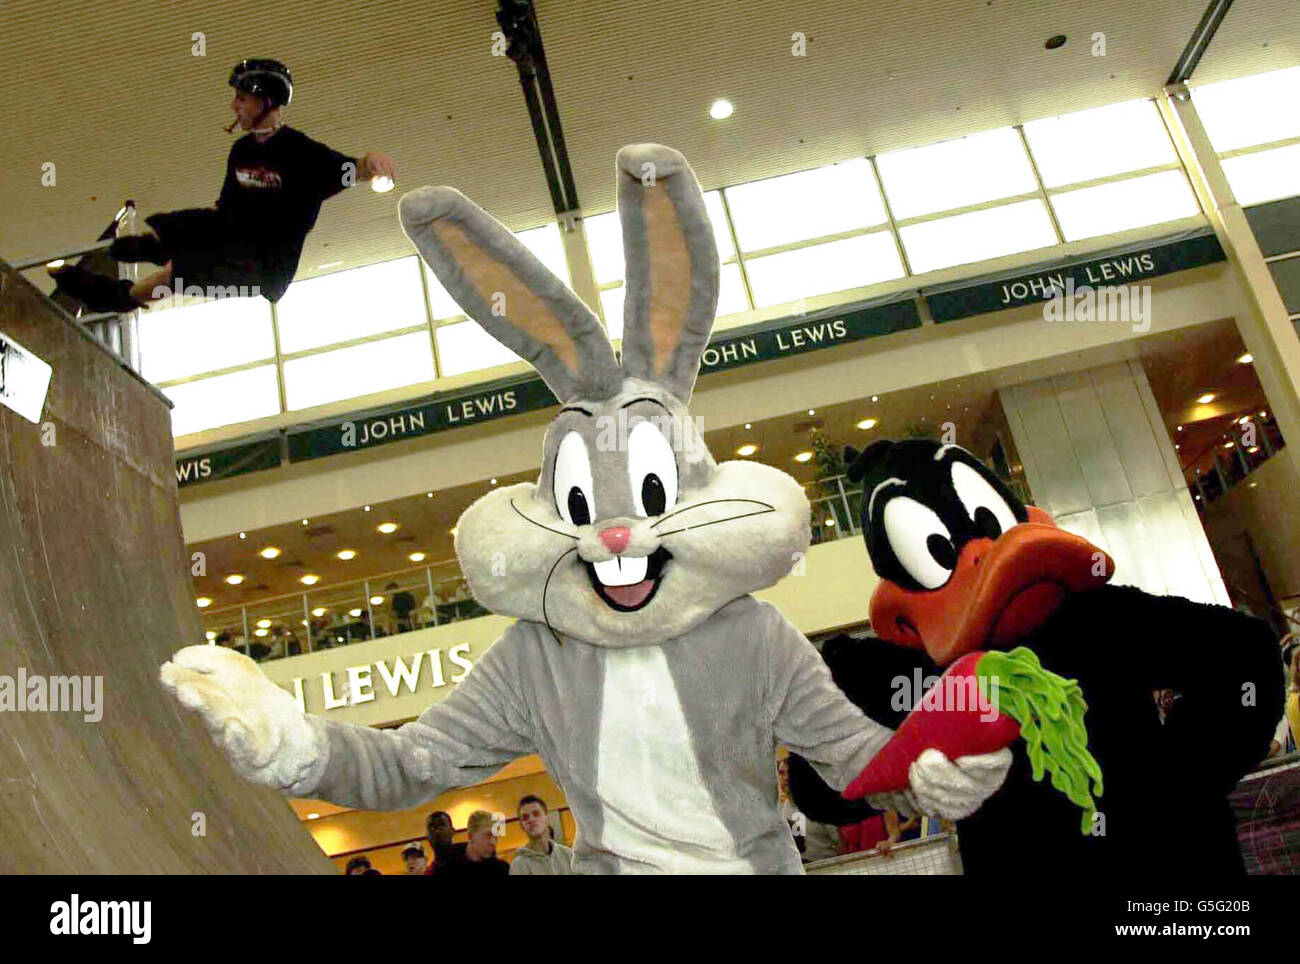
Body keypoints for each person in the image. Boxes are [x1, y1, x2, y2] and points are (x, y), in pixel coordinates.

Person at [49, 59, 396, 314]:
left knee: (181, 273)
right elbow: (223, 213)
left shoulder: (301, 153)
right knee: (176, 225)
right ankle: (147, 250)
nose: (234, 106)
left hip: (261, 268)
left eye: (242, 99)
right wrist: (166, 240)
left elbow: (350, 171)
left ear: (267, 103)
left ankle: (120, 297)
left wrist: (371, 162)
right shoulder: (241, 150)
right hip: (232, 236)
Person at [509, 795, 575, 875]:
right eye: (525, 817)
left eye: (536, 814)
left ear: (547, 818)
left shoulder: (568, 855)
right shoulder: (519, 866)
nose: (531, 819)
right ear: (521, 825)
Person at [438, 810, 508, 877]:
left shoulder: (502, 870)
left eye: (495, 837)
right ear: (470, 836)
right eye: (488, 835)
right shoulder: (446, 865)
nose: (493, 842)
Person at [423, 810, 467, 875]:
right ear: (427, 836)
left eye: (441, 827)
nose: (436, 831)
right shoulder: (429, 873)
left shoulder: (471, 856)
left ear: (452, 831)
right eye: (431, 828)